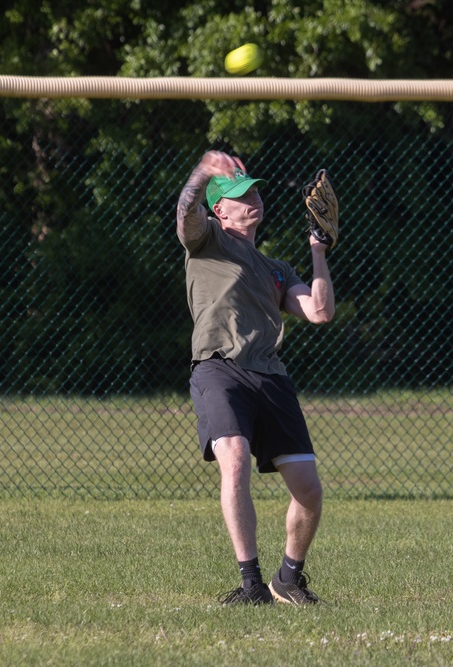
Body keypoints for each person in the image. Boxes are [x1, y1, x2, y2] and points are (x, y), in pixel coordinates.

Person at [175, 149, 335, 606]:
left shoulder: (276, 268)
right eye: (242, 194)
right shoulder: (206, 241)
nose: (254, 199)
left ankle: (287, 579)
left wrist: (318, 251)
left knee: (308, 487)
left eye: (256, 191)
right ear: (219, 209)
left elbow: (320, 312)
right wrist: (204, 170)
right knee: (236, 456)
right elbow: (186, 210)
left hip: (271, 377)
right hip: (219, 367)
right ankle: (250, 585)